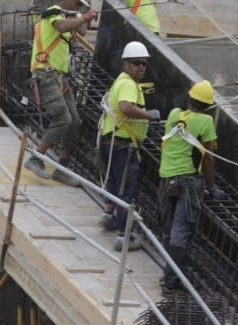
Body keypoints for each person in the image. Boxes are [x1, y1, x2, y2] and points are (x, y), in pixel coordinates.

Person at [156, 80, 222, 291]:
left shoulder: (175, 114)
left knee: (168, 229)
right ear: (208, 105)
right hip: (188, 181)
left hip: (166, 178)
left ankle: (168, 272)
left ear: (189, 99)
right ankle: (172, 280)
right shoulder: (206, 122)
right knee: (180, 230)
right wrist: (211, 187)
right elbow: (209, 157)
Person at [25, 0, 99, 186]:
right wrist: (84, 15)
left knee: (74, 121)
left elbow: (82, 31)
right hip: (45, 74)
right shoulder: (53, 12)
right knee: (62, 118)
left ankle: (62, 169)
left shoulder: (68, 16)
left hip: (59, 78)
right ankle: (35, 158)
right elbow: (61, 26)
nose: (77, 6)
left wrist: (83, 15)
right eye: (76, 3)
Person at [97, 42, 159, 239]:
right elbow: (125, 107)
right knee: (126, 188)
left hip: (112, 142)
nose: (141, 67)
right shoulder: (128, 84)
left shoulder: (121, 81)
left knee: (114, 183)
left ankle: (108, 216)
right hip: (123, 145)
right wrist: (149, 115)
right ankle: (122, 236)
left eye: (144, 63)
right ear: (126, 64)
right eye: (136, 62)